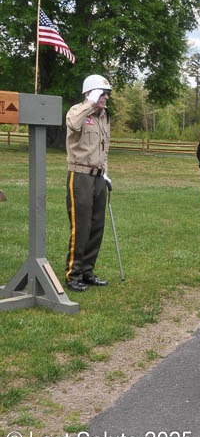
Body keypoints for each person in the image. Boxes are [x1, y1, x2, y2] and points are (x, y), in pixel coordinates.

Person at [64, 74, 112, 293]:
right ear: (91, 93)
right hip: (80, 175)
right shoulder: (77, 111)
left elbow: (104, 147)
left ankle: (87, 271)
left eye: (107, 94)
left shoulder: (104, 117)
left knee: (96, 226)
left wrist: (105, 172)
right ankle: (73, 274)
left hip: (98, 176)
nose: (106, 98)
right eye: (103, 94)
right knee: (81, 226)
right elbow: (73, 124)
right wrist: (90, 104)